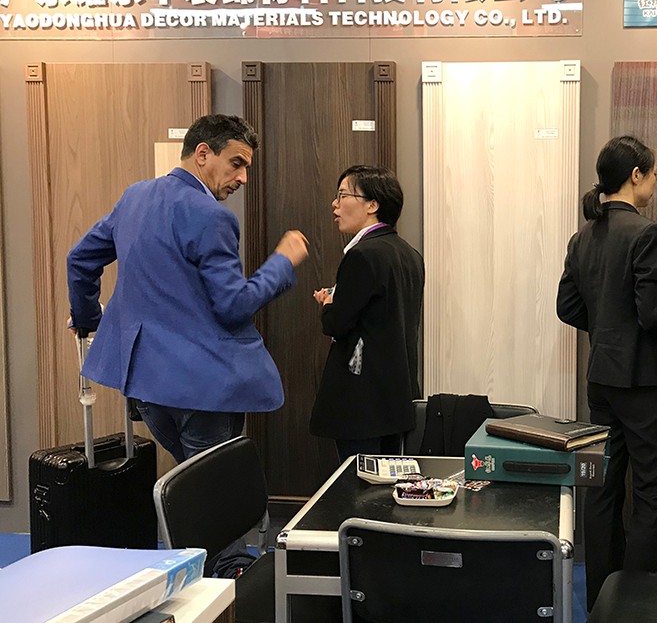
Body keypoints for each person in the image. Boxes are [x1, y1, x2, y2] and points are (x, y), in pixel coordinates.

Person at [67, 114, 309, 577]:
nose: (243, 177)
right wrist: (282, 263)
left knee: (194, 486)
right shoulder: (211, 215)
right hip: (205, 388)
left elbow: (80, 260)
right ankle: (230, 579)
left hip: (145, 386)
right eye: (236, 163)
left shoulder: (135, 197)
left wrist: (87, 321)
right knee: (212, 492)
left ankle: (202, 574)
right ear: (203, 153)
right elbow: (234, 305)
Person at [556, 136, 657, 611]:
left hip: (602, 379)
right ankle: (637, 606)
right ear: (636, 175)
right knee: (651, 492)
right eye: (653, 173)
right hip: (645, 383)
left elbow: (567, 306)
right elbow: (652, 313)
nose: (654, 181)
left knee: (604, 489)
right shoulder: (646, 233)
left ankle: (601, 602)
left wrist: (607, 325)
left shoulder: (582, 237)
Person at [310, 165, 424, 462]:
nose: (334, 204)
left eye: (343, 195)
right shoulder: (410, 254)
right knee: (387, 481)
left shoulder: (362, 254)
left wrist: (328, 303)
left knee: (358, 482)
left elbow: (336, 324)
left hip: (362, 400)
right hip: (396, 396)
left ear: (372, 205)